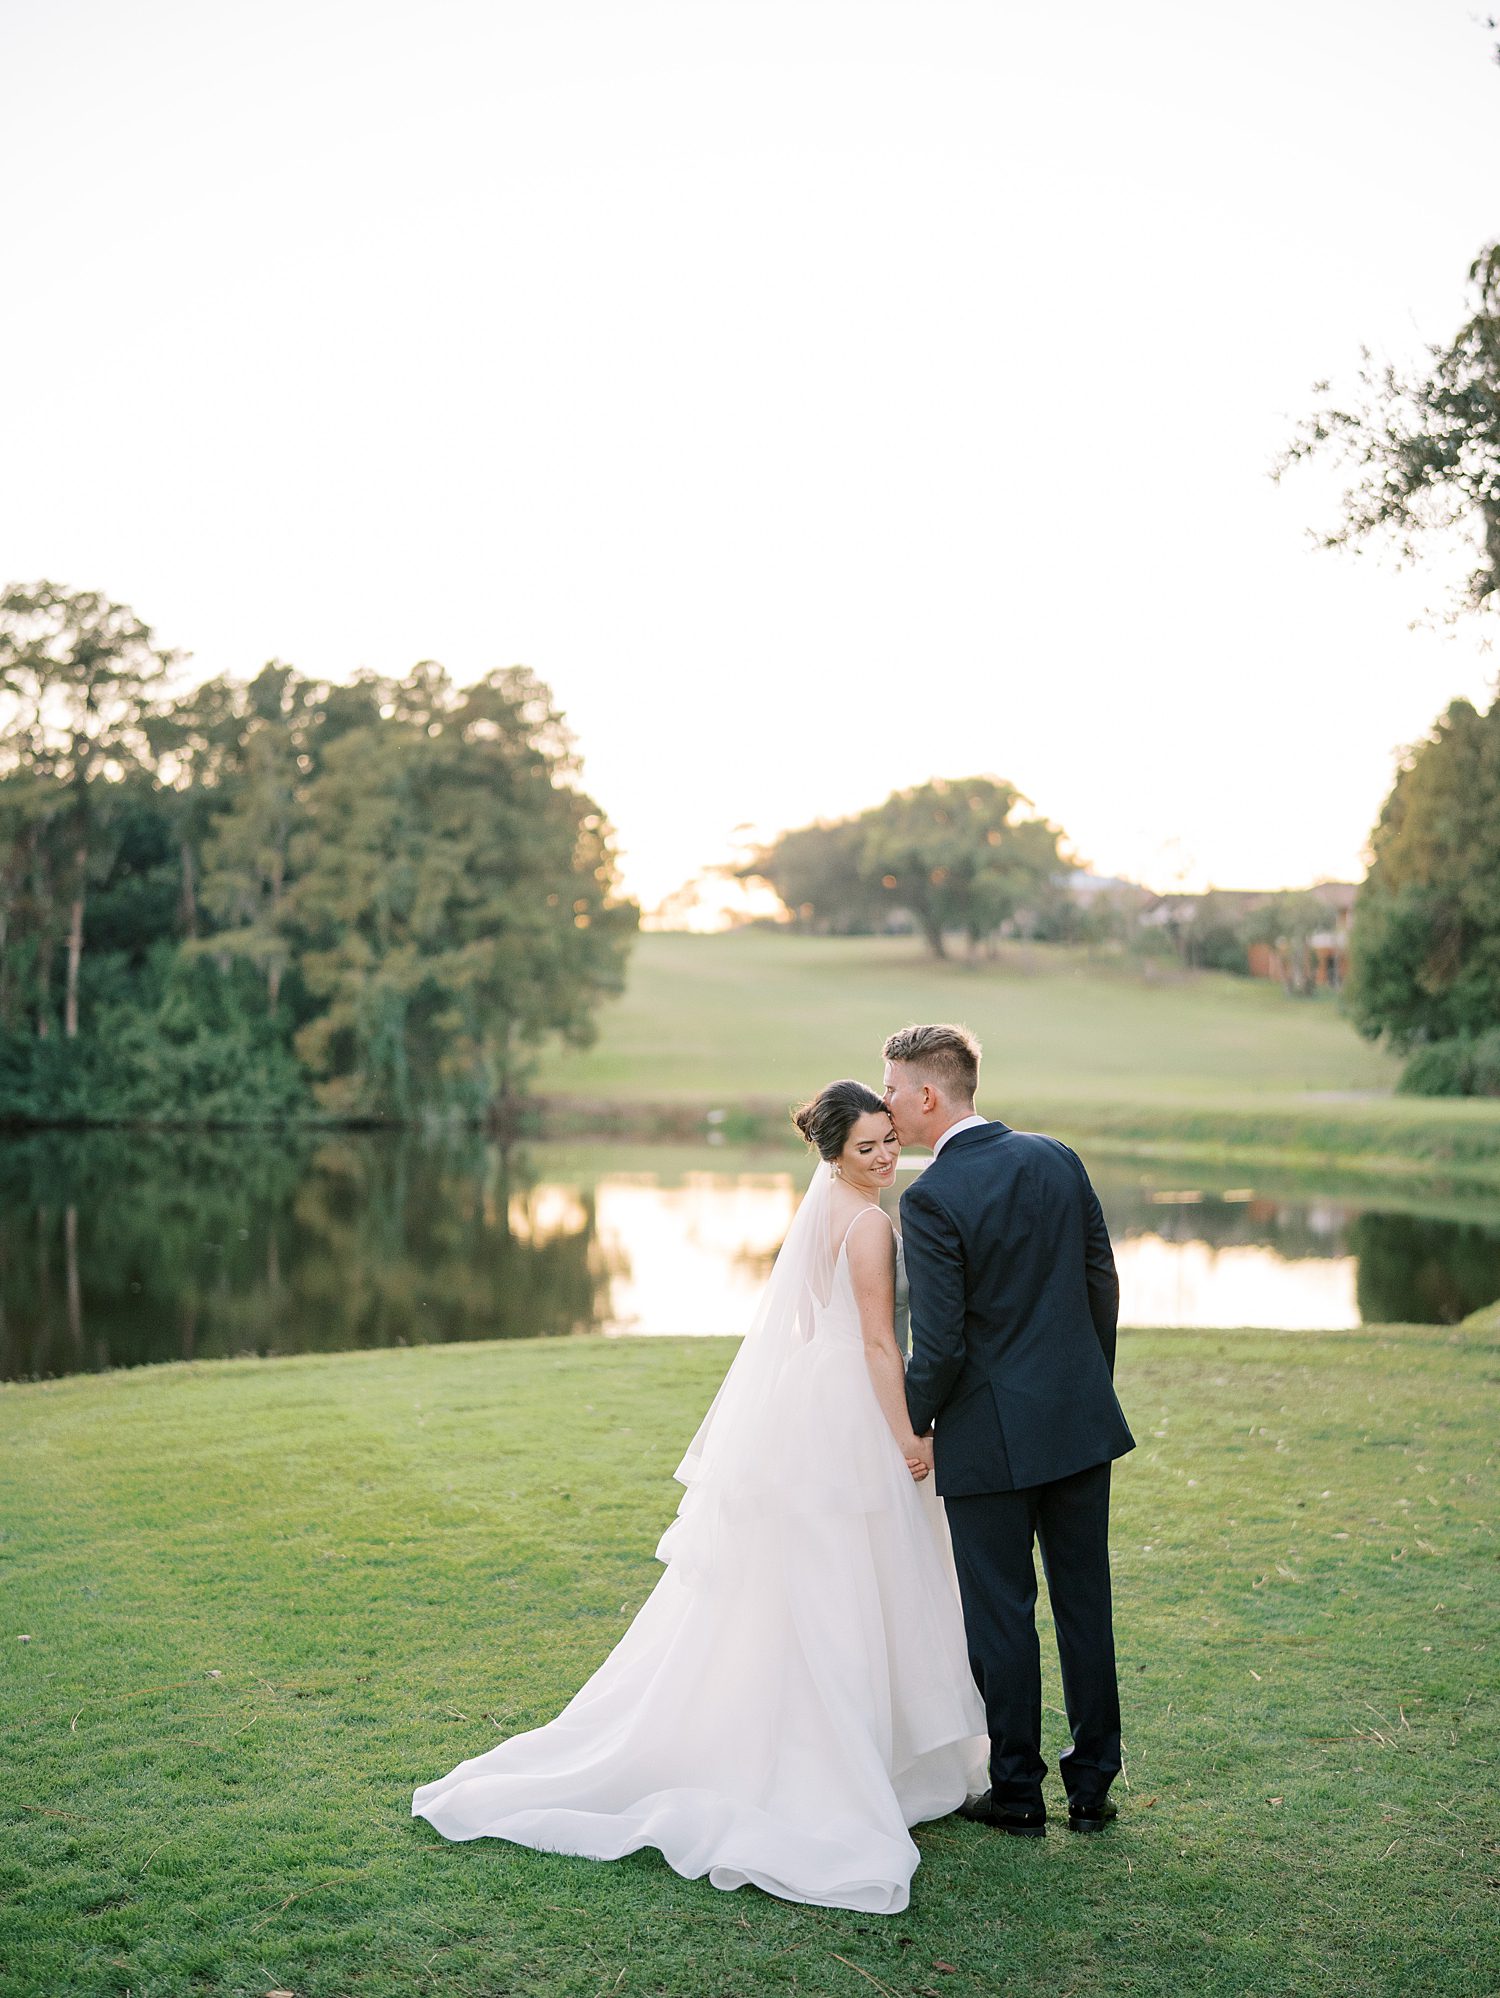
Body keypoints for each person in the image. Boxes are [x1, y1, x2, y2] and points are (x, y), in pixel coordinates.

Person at [412, 1080, 986, 1914]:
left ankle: (844, 1740)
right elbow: (872, 1341)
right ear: (834, 1154)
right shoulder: (867, 1224)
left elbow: (803, 1327)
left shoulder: (825, 1206)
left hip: (807, 1402)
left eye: (890, 1140)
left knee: (815, 1577)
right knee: (851, 1577)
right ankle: (852, 1757)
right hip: (852, 1409)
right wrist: (905, 1436)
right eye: (868, 1147)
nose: (887, 1156)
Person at [881, 1022, 1134, 1838]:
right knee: (1084, 1606)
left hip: (987, 1435)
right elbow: (1103, 1280)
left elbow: (941, 1343)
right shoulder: (1056, 1156)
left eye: (890, 1088)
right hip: (1077, 1420)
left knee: (1001, 1614)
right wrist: (1086, 1382)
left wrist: (911, 1422)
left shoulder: (930, 1198)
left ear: (928, 1095)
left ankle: (1018, 1791)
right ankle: (1092, 1787)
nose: (884, 1102)